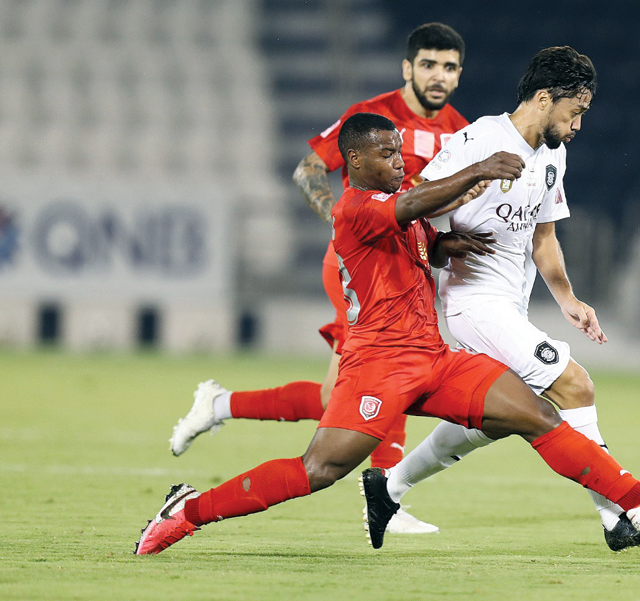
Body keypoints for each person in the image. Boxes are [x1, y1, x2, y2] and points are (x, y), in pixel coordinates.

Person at [134, 113, 640, 556]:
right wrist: (479, 168)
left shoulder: (392, 207)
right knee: (320, 470)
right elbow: (408, 206)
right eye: (384, 155)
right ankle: (188, 512)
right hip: (378, 365)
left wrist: (445, 245)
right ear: (353, 160)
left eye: (397, 152)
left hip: (434, 358)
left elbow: (412, 234)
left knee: (538, 414)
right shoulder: (355, 208)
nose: (395, 161)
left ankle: (636, 501)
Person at [167, 22, 470, 533]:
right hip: (360, 268)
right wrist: (342, 223)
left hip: (408, 264)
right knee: (389, 362)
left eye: (449, 67)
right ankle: (386, 493)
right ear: (407, 68)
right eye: (428, 64)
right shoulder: (372, 119)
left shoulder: (459, 130)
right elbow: (308, 170)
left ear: (460, 74)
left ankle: (220, 404)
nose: (438, 76)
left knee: (340, 400)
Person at [364, 46, 640, 552]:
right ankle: (621, 512)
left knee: (493, 420)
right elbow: (414, 205)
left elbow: (542, 238)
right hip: (472, 304)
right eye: (575, 112)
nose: (578, 125)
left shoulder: (553, 155)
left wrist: (567, 297)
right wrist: (465, 191)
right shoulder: (478, 139)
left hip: (508, 306)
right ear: (545, 99)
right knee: (573, 385)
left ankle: (388, 487)